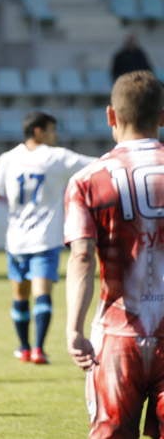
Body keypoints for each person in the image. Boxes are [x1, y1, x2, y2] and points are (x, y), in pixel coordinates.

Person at [65, 70, 164, 438]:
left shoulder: (89, 179)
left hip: (118, 334)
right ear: (162, 116)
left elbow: (82, 258)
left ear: (111, 116)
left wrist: (74, 328)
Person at [0, 111, 94, 365]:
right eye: (52, 129)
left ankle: (25, 348)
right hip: (45, 240)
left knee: (20, 295)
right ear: (38, 131)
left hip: (15, 241)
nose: (55, 135)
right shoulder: (57, 157)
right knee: (42, 294)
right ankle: (38, 349)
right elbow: (95, 163)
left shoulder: (8, 158)